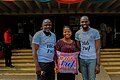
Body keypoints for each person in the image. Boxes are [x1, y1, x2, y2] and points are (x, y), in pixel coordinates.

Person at [75, 16, 101, 80]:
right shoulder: (78, 33)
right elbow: (78, 48)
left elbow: (98, 49)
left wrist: (98, 64)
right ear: (80, 23)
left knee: (92, 78)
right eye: (82, 22)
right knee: (85, 78)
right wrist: (78, 63)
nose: (84, 23)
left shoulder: (95, 32)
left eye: (86, 21)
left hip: (92, 59)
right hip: (82, 59)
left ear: (89, 22)